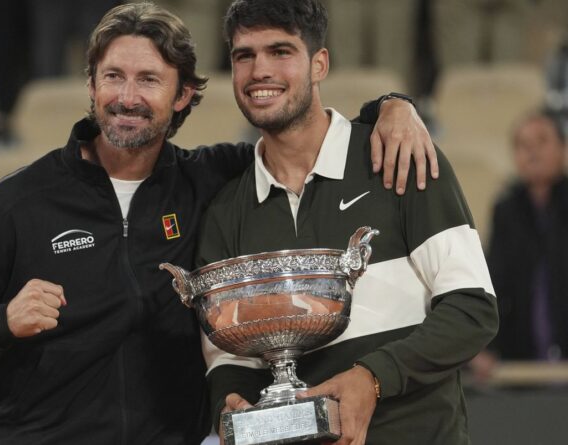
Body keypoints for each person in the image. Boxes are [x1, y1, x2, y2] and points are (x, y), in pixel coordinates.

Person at [0, 3, 437, 444]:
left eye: (149, 80)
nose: (127, 98)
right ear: (91, 85)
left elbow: (304, 131)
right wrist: (2, 321)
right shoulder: (17, 202)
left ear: (182, 95)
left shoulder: (213, 180)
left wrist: (393, 106)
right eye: (112, 77)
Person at [195, 1, 498, 444]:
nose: (260, 70)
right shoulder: (225, 211)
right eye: (245, 55)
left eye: (280, 51)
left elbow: (473, 309)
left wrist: (372, 377)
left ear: (320, 64)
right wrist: (232, 404)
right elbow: (229, 360)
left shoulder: (400, 156)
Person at [487, 111, 568, 362]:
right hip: (520, 358)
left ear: (563, 148)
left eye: (542, 141)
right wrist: (486, 347)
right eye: (523, 145)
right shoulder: (506, 210)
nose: (532, 152)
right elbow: (495, 284)